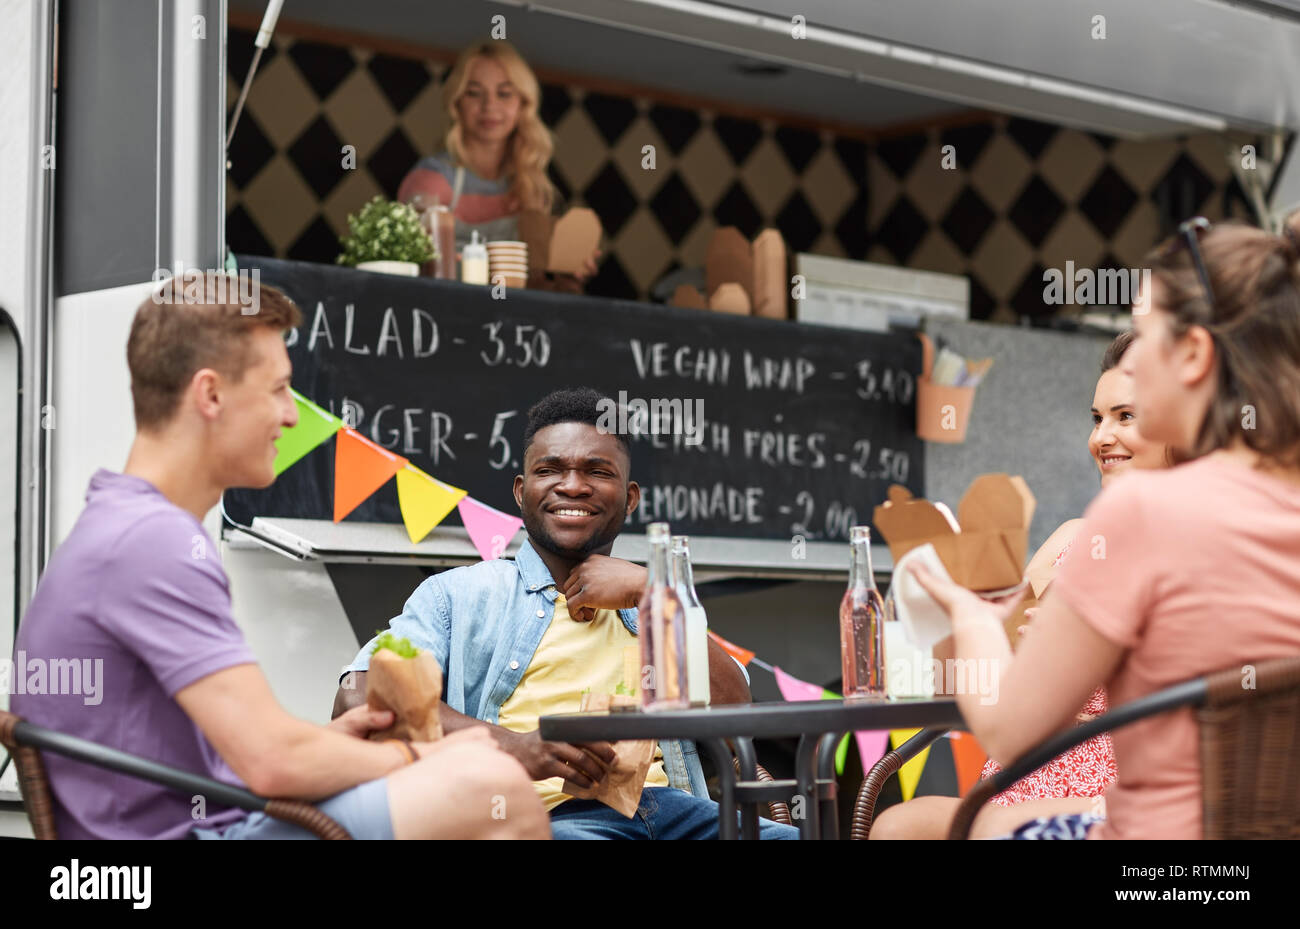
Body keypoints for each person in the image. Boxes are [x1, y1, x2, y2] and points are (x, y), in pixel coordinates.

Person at [12, 273, 546, 840]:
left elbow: (245, 748)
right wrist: (424, 756)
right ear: (211, 394)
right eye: (278, 389)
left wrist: (332, 748)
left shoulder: (122, 524)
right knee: (495, 786)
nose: (292, 416)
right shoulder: (152, 542)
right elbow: (272, 763)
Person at [912, 217, 1300, 839]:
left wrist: (971, 617)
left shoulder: (1142, 514)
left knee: (982, 828)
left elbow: (1009, 730)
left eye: (1143, 339)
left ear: (1195, 355)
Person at [334, 387, 800, 839]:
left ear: (630, 497)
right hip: (543, 820)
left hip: (680, 814)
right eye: (550, 470)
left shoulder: (654, 602)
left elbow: (737, 714)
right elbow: (359, 698)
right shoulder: (458, 595)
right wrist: (515, 748)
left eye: (596, 471)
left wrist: (653, 591)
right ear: (521, 492)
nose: (573, 486)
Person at [871, 330, 1168, 839]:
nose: (1101, 438)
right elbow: (991, 679)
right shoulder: (1072, 539)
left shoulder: (1193, 544)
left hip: (1117, 787)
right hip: (1022, 770)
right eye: (1097, 419)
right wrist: (950, 620)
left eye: (1126, 416)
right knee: (897, 825)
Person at [396, 41, 599, 287]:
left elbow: (539, 281)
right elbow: (412, 265)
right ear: (456, 102)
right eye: (474, 93)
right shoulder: (433, 178)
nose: (489, 106)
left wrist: (567, 264)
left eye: (504, 93)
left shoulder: (531, 185)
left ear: (523, 104)